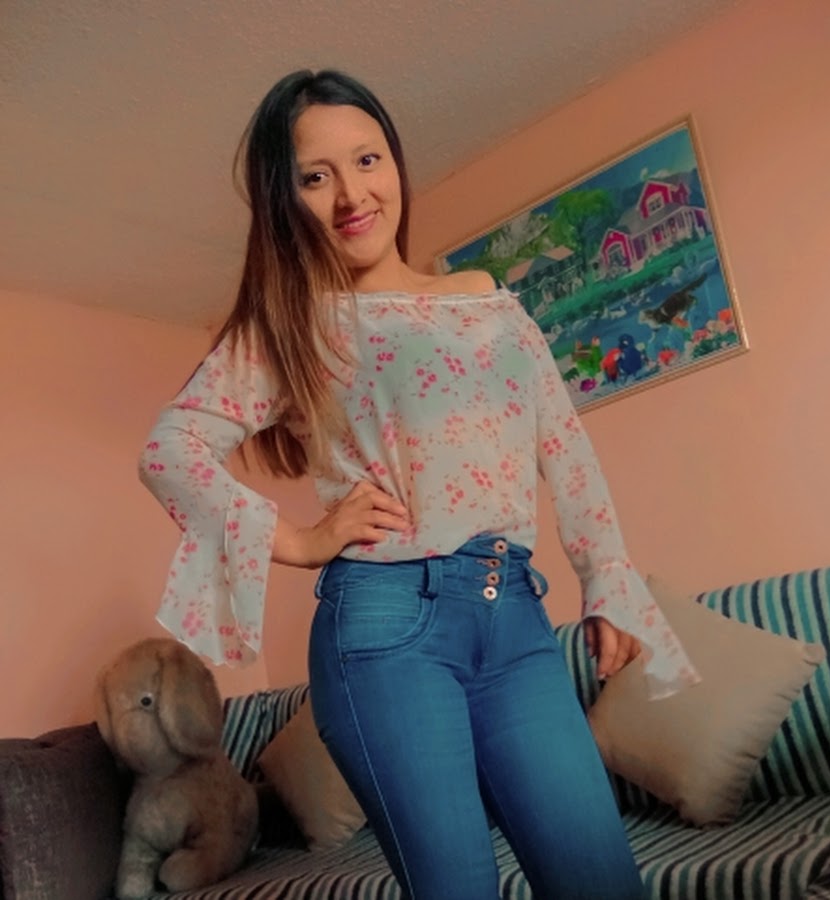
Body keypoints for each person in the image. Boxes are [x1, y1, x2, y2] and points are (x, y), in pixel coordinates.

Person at [139, 68, 698, 900]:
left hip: (514, 620)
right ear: (285, 201)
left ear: (396, 163)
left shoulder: (487, 304)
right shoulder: (290, 325)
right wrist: (298, 541)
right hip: (384, 628)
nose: (351, 194)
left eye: (367, 160)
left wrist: (606, 575)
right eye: (315, 177)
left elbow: (562, 441)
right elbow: (170, 447)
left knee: (601, 883)